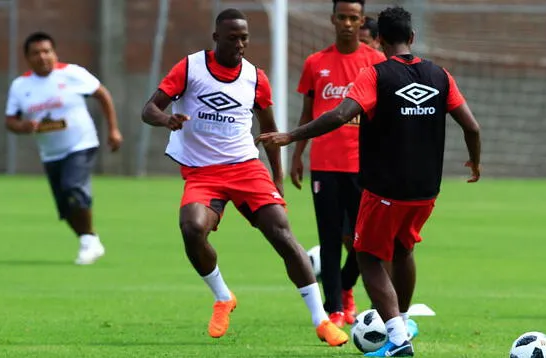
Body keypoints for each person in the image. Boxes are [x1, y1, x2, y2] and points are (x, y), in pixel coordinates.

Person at [257, 6, 481, 357]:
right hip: (426, 191)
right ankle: (403, 322)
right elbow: (472, 126)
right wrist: (475, 162)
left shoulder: (376, 74)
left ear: (378, 39)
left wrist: (290, 137)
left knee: (368, 257)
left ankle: (397, 339)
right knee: (404, 249)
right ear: (411, 38)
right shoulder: (440, 75)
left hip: (385, 189)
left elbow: (339, 114)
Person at [140, 8, 348, 346]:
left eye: (244, 38)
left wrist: (277, 179)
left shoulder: (255, 77)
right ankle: (223, 297)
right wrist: (166, 119)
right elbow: (149, 108)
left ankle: (321, 320)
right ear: (216, 38)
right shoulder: (190, 67)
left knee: (282, 234)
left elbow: (269, 131)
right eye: (233, 37)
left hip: (245, 168)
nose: (240, 44)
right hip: (203, 172)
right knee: (192, 229)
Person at [293, 0, 386, 328]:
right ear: (333, 19)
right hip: (325, 164)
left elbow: (384, 115)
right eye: (342, 17)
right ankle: (334, 308)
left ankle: (350, 289)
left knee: (367, 240)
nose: (347, 23)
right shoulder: (316, 62)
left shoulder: (376, 61)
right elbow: (308, 113)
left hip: (365, 167)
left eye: (353, 18)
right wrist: (296, 154)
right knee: (330, 239)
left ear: (361, 20)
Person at [4, 32, 123, 265]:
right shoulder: (20, 86)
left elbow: (102, 95)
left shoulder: (72, 74)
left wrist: (113, 130)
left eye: (47, 51)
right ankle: (89, 239)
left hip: (81, 143)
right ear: (27, 58)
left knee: (73, 187)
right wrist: (24, 126)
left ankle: (88, 240)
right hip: (50, 152)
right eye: (36, 53)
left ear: (55, 53)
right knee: (65, 207)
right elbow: (10, 121)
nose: (42, 57)